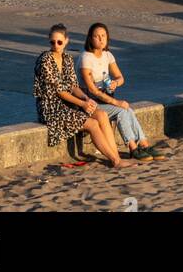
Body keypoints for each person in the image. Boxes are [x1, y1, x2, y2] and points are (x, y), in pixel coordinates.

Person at [33, 24, 122, 167]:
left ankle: (117, 156)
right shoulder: (45, 60)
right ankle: (115, 161)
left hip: (69, 104)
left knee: (101, 115)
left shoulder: (67, 59)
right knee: (92, 124)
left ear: (66, 41)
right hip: (51, 108)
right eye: (52, 42)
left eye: (59, 42)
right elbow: (60, 91)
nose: (56, 45)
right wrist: (82, 104)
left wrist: (87, 99)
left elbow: (74, 86)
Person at [79, 23, 165, 162]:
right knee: (122, 110)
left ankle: (144, 144)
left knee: (128, 109)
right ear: (90, 39)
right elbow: (92, 90)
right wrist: (116, 102)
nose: (101, 39)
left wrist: (115, 83)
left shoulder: (108, 55)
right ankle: (132, 147)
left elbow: (121, 77)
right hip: (91, 103)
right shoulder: (86, 58)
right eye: (96, 36)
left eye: (103, 36)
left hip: (106, 99)